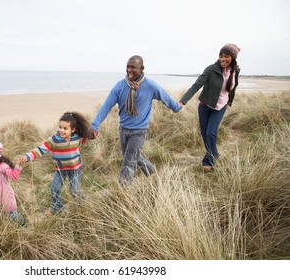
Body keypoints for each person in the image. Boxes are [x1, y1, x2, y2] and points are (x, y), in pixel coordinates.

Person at [89, 55, 181, 186]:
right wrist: (95, 125)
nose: (129, 70)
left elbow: (165, 97)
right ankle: (152, 173)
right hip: (123, 130)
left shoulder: (150, 86)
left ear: (142, 68)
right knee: (134, 157)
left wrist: (177, 107)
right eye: (127, 66)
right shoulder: (120, 86)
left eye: (133, 67)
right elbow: (106, 105)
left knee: (128, 163)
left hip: (139, 131)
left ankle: (123, 192)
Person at [178, 43, 241, 172]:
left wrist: (229, 101)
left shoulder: (235, 71)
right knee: (205, 134)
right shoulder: (211, 69)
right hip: (205, 106)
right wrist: (182, 101)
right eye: (221, 56)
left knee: (211, 133)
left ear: (233, 58)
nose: (223, 59)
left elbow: (233, 88)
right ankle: (214, 154)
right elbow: (197, 85)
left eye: (226, 56)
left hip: (220, 107)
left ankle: (209, 160)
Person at [18, 112, 90, 216]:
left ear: (73, 130)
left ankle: (81, 205)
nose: (61, 130)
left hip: (75, 169)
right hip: (60, 170)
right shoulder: (54, 140)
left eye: (65, 128)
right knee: (55, 188)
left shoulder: (77, 137)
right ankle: (56, 207)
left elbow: (85, 138)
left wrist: (92, 135)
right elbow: (41, 149)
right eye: (60, 127)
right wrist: (27, 156)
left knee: (74, 189)